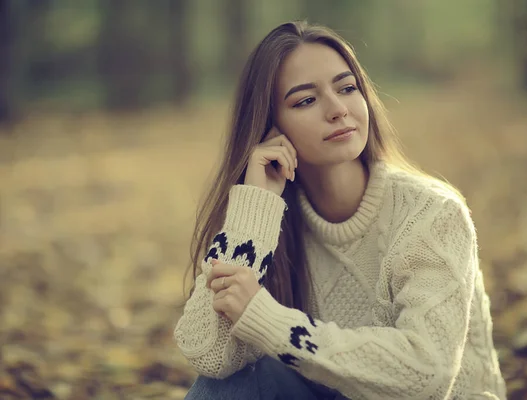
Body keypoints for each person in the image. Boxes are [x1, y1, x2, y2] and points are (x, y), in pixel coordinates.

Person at [174, 20, 507, 400]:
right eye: (305, 100)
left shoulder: (432, 214)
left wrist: (270, 322)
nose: (337, 110)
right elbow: (208, 356)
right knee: (233, 384)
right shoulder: (267, 220)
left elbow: (427, 378)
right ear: (270, 128)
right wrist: (254, 208)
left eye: (347, 88)